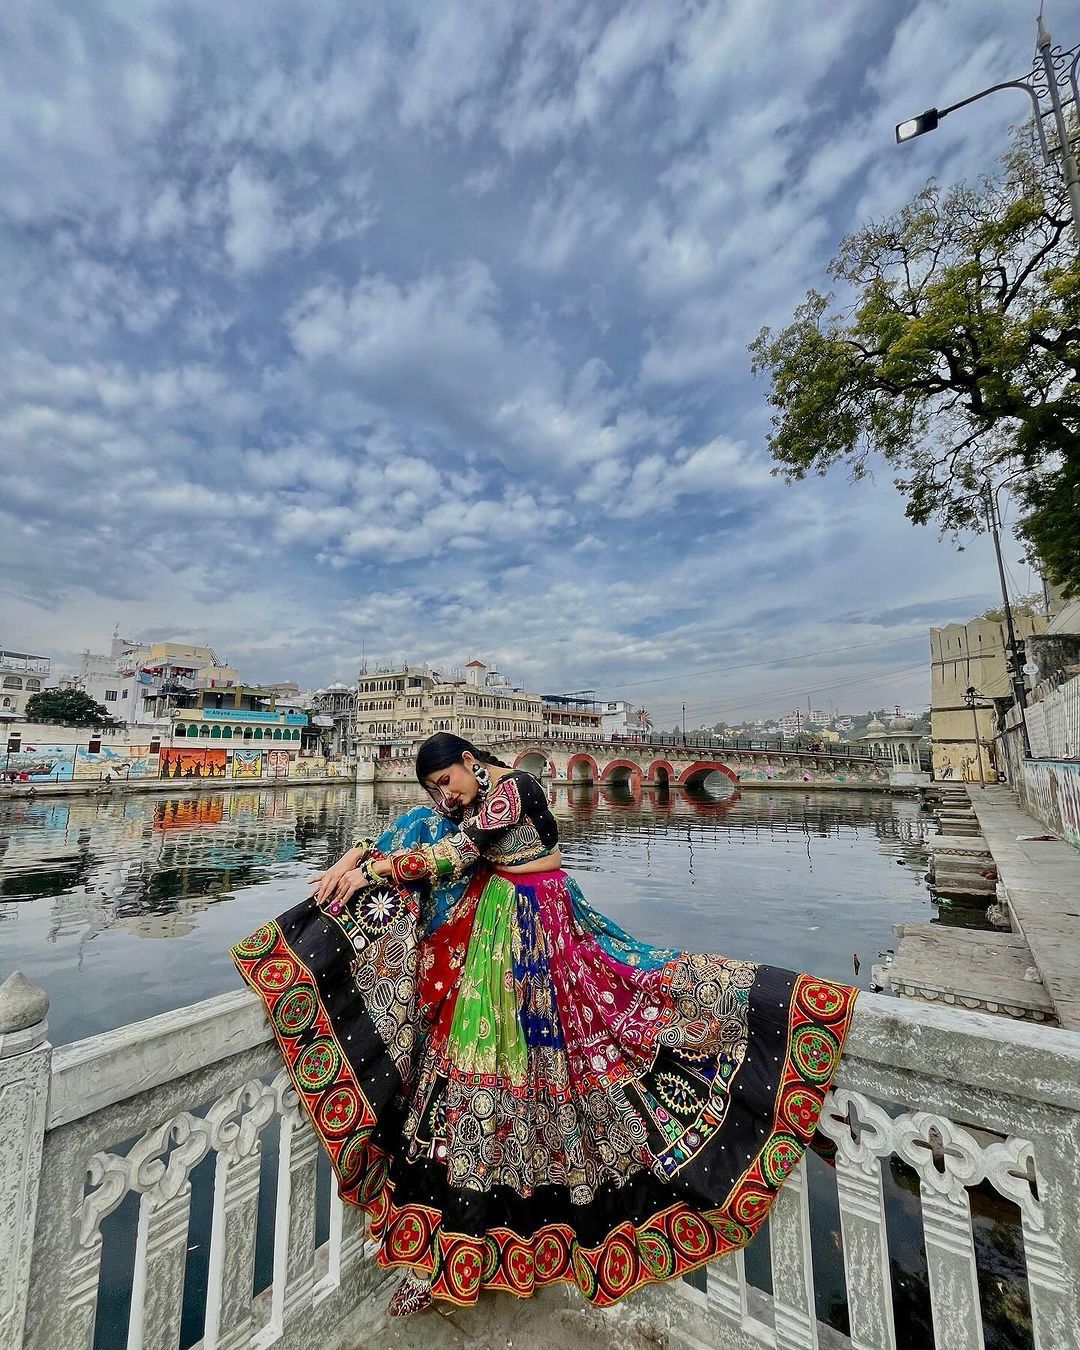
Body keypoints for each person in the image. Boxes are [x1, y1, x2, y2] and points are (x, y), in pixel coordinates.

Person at [232, 733, 856, 1318]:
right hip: (498, 943)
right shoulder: (468, 800)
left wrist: (376, 872)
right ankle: (452, 1258)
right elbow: (412, 832)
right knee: (476, 1090)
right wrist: (354, 857)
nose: (442, 796)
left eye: (446, 781)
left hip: (538, 938)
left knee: (612, 1038)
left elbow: (453, 855)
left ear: (471, 761)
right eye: (433, 789)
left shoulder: (517, 788)